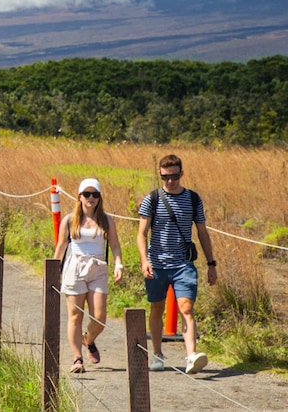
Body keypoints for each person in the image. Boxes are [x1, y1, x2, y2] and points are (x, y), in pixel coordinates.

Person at [136, 154, 217, 374]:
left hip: (183, 264)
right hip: (157, 264)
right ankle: (157, 354)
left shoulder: (192, 199)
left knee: (187, 308)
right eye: (165, 177)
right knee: (156, 308)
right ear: (160, 175)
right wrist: (144, 261)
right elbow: (141, 234)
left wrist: (211, 264)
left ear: (181, 174)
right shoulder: (151, 199)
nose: (170, 181)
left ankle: (191, 355)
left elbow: (202, 232)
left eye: (174, 176)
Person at [53, 178, 124, 374]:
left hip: (98, 268)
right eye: (86, 194)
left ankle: (89, 339)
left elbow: (115, 245)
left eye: (95, 194)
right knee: (75, 315)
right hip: (74, 268)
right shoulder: (70, 220)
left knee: (99, 317)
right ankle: (77, 358)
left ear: (100, 197)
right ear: (79, 196)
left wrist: (118, 264)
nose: (90, 198)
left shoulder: (107, 220)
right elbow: (61, 246)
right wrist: (52, 270)